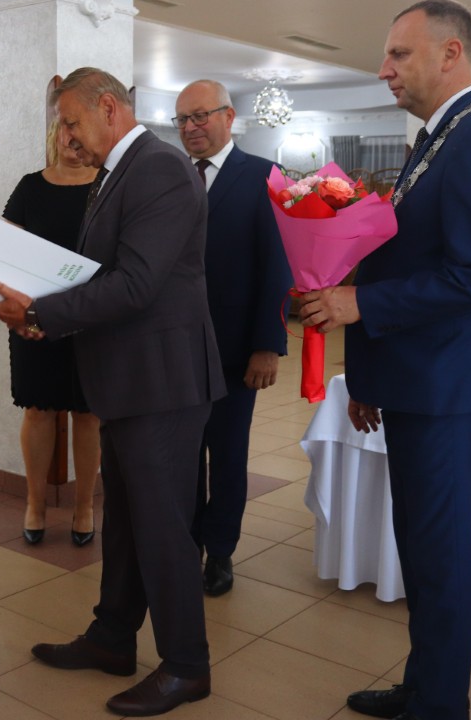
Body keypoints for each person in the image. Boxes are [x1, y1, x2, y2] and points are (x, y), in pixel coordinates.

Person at [299, 0, 471, 720]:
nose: (384, 69)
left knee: (439, 554)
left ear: (450, 53)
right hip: (416, 380)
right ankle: (425, 686)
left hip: (448, 388)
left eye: (399, 53)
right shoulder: (439, 138)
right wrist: (370, 373)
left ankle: (439, 706)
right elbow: (407, 260)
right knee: (422, 550)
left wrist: (359, 306)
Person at [0, 67, 226, 717]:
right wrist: (34, 306)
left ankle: (186, 665)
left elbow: (136, 285)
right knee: (127, 522)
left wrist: (41, 310)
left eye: (71, 121)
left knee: (163, 529)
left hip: (161, 383)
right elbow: (100, 273)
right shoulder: (119, 171)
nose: (65, 136)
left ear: (109, 108)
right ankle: (113, 638)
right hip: (128, 380)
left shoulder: (158, 169)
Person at [174, 79, 292, 597]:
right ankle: (185, 545)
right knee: (182, 456)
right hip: (175, 348)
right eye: (182, 119)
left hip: (236, 349)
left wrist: (268, 344)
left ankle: (220, 550)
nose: (191, 127)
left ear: (228, 117)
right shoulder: (172, 176)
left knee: (226, 456)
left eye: (200, 116)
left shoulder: (264, 176)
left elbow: (277, 266)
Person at [3, 119, 101, 546]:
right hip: (35, 317)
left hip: (91, 316)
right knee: (38, 410)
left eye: (81, 130)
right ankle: (35, 504)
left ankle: (84, 507)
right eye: (67, 129)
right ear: (55, 134)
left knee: (88, 413)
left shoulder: (108, 186)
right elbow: (5, 250)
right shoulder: (30, 187)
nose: (73, 139)